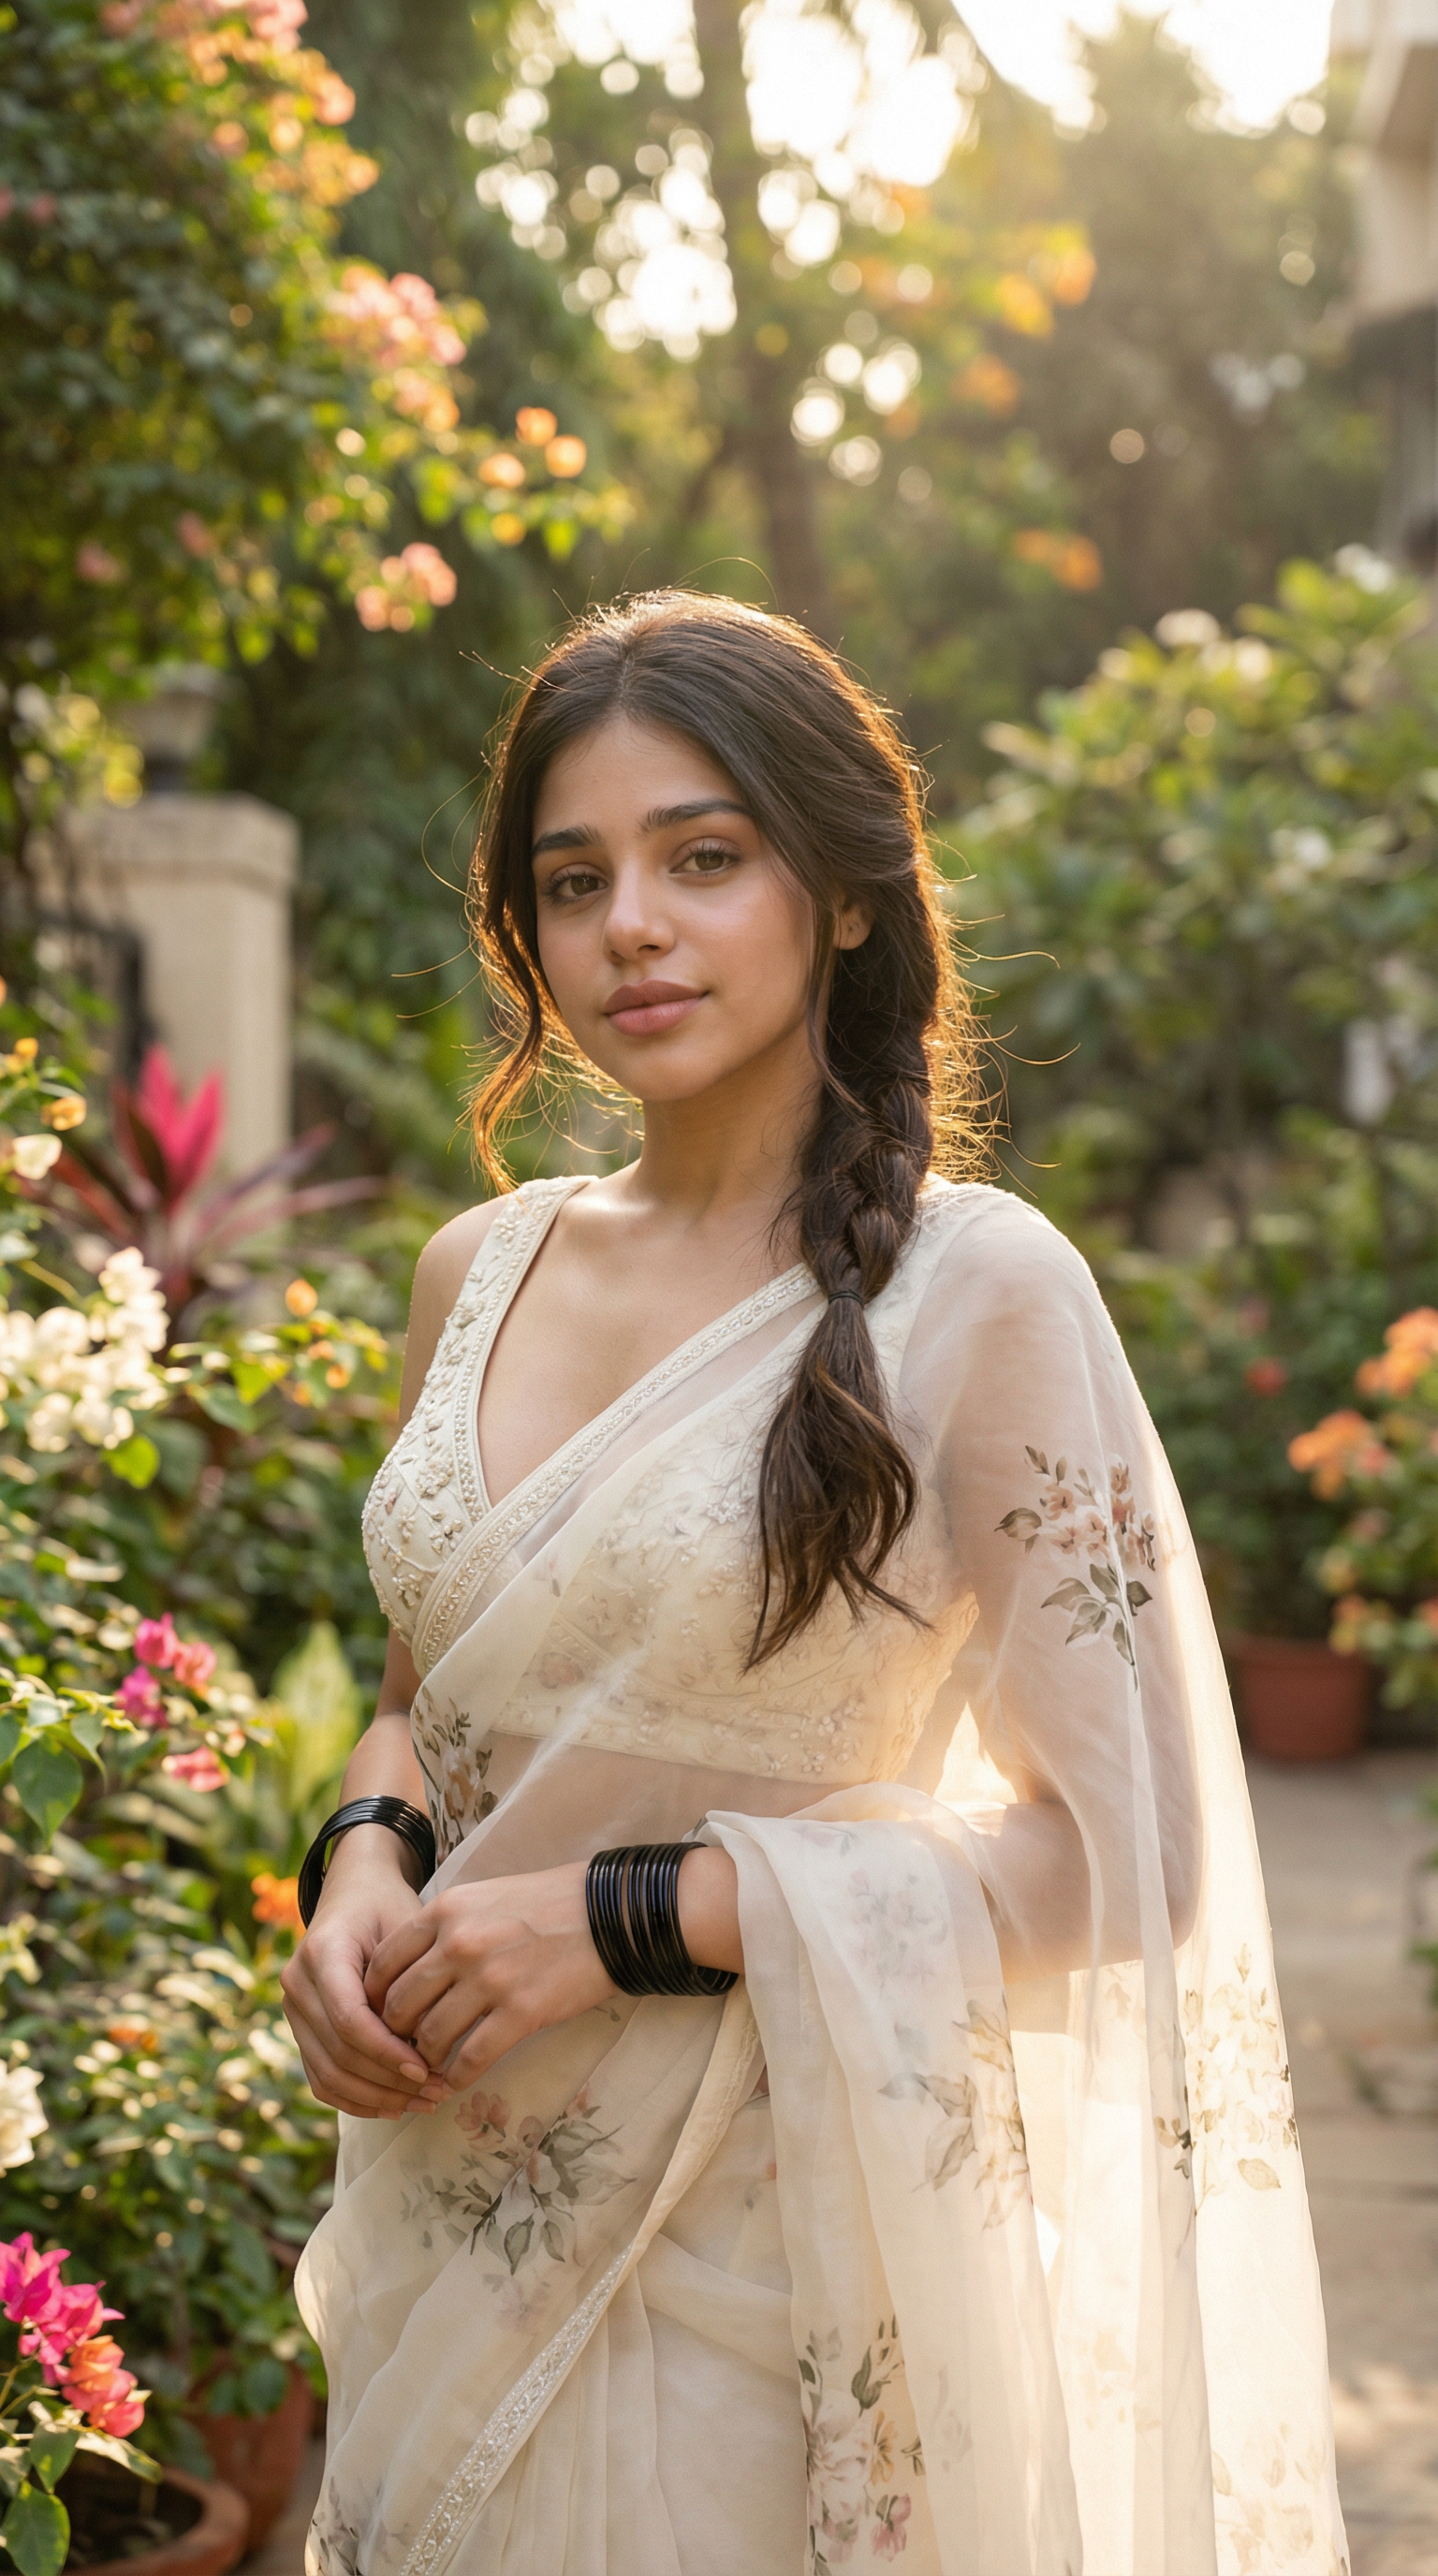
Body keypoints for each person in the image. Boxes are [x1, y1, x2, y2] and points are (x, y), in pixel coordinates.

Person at [284, 593, 1345, 2576]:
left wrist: (622, 1920)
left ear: (844, 893)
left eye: (704, 855)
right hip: (452, 2191)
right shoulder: (477, 1267)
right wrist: (359, 1858)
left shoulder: (981, 1290)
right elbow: (431, 1693)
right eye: (573, 876)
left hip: (772, 2274)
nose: (633, 928)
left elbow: (1134, 1860)